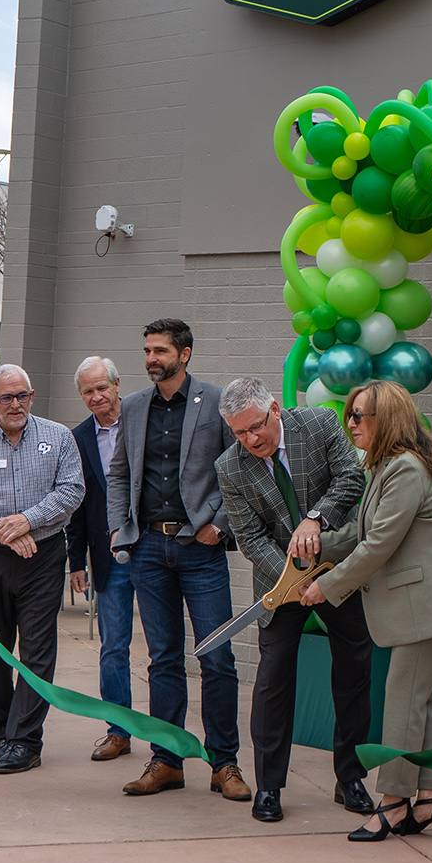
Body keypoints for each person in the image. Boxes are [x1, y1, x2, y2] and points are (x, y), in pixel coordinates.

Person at [302, 380, 432, 843]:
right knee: (420, 701)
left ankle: (391, 803)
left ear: (387, 419)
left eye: (359, 416)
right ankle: (428, 799)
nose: (351, 424)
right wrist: (314, 544)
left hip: (427, 602)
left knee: (404, 701)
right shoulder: (386, 466)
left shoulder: (404, 469)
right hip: (420, 601)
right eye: (349, 414)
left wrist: (326, 585)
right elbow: (361, 531)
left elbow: (379, 544)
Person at [215, 376, 374, 824]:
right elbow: (249, 537)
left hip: (338, 571)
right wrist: (292, 579)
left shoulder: (320, 425)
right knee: (273, 682)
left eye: (256, 428)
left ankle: (350, 777)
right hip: (280, 584)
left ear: (275, 411)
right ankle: (269, 786)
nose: (250, 440)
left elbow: (351, 480)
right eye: (239, 433)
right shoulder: (230, 467)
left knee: (353, 671)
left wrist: (315, 519)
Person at [106, 318, 247, 802]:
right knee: (163, 659)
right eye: (147, 350)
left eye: (160, 350)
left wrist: (219, 525)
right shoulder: (133, 407)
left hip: (200, 550)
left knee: (217, 657)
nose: (151, 358)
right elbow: (119, 472)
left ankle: (223, 762)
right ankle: (166, 761)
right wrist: (116, 529)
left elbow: (240, 473)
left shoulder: (215, 402)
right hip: (147, 548)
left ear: (185, 354)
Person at [0, 363, 84, 774]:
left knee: (38, 650)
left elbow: (72, 489)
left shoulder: (58, 438)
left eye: (22, 395)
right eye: (5, 397)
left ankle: (24, 739)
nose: (15, 404)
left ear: (32, 396)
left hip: (42, 557)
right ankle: (0, 733)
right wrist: (3, 531)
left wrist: (28, 521)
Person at [64, 356, 136, 762]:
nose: (96, 397)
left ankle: (166, 736)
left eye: (101, 388)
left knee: (164, 649)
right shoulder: (77, 439)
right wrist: (77, 561)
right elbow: (77, 503)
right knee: (113, 648)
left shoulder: (142, 422)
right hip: (108, 557)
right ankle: (119, 731)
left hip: (157, 551)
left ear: (117, 384)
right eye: (88, 391)